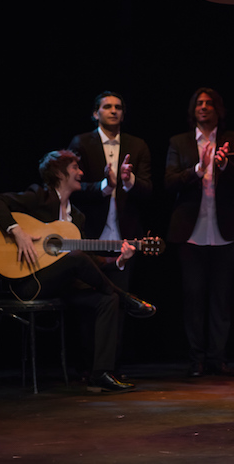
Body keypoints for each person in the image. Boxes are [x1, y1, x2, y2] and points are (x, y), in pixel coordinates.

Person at [0, 150, 156, 393]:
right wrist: (17, 231)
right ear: (59, 173)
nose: (81, 173)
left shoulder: (77, 217)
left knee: (108, 299)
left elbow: (89, 260)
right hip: (28, 284)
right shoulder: (39, 197)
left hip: (62, 286)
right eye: (75, 167)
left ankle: (100, 374)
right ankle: (129, 299)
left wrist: (119, 260)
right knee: (76, 258)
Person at [165, 87, 234, 377]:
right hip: (190, 231)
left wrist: (225, 166)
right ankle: (196, 360)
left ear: (217, 109)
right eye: (199, 103)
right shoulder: (180, 142)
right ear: (193, 110)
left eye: (209, 103)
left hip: (224, 230)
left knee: (221, 298)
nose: (203, 107)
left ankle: (217, 358)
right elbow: (169, 182)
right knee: (193, 296)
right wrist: (197, 170)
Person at [68, 91, 153, 369]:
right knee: (89, 303)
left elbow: (148, 190)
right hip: (90, 235)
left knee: (119, 303)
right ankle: (86, 366)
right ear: (96, 113)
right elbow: (73, 187)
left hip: (123, 236)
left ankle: (110, 368)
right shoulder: (81, 143)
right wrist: (106, 186)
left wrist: (128, 181)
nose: (113, 111)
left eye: (118, 107)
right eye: (107, 107)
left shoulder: (137, 145)